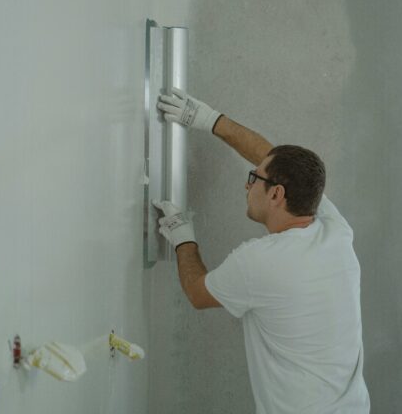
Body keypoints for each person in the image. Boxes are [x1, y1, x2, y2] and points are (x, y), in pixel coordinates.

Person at [154, 88, 370, 414]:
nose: (247, 185)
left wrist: (183, 237)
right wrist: (210, 120)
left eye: (253, 178)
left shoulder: (262, 261)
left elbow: (199, 294)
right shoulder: (335, 231)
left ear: (276, 195)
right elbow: (271, 158)